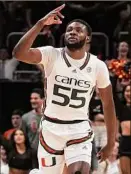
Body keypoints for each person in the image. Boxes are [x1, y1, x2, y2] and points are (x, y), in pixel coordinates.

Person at [13, 4, 117, 174]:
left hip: (79, 129)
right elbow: (18, 53)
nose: (72, 32)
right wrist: (40, 24)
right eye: (69, 30)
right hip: (51, 129)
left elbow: (108, 104)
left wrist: (111, 143)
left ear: (88, 38)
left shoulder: (97, 66)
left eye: (78, 30)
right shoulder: (51, 54)